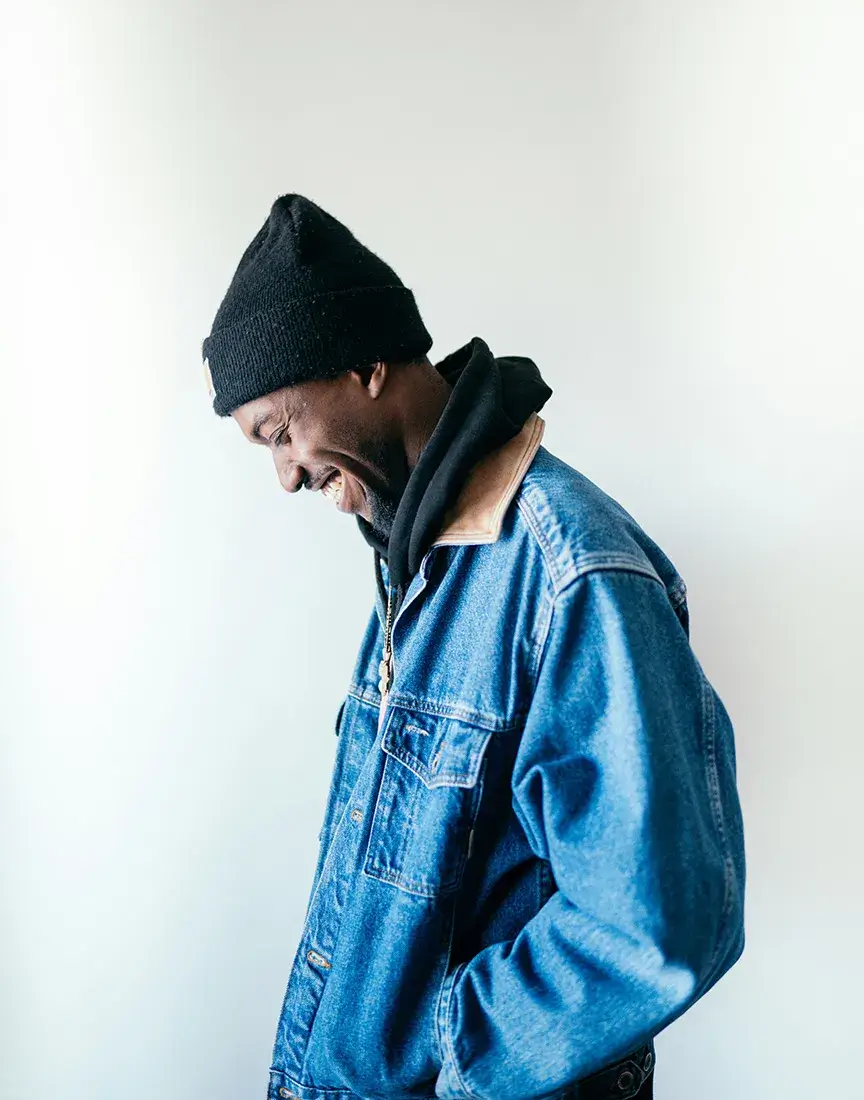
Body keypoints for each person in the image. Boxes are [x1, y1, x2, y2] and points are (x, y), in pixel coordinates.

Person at [201, 194, 746, 1100]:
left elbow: (656, 924)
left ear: (365, 365)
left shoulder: (572, 571)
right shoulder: (418, 564)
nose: (285, 475)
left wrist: (435, 1046)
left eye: (279, 432)